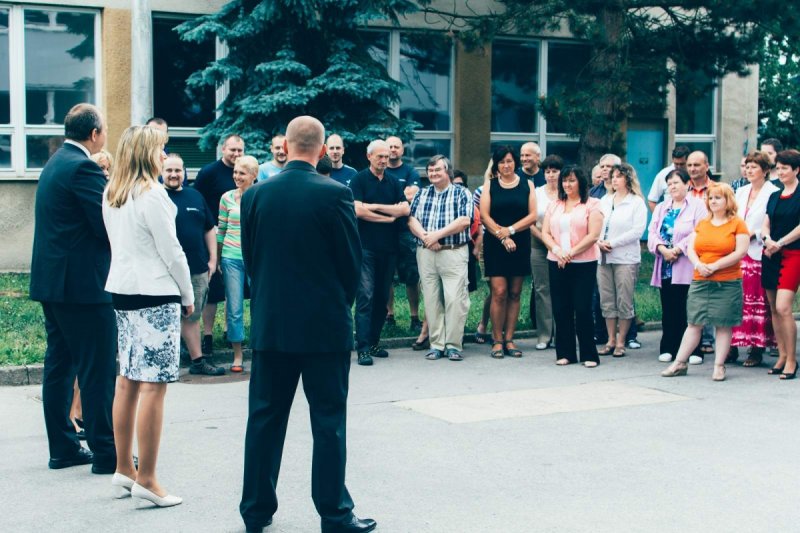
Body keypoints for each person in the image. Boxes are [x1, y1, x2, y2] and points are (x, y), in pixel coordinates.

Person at [239, 115, 374, 533]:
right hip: (323, 328)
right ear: (319, 150)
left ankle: (256, 512)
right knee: (329, 422)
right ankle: (334, 514)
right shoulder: (335, 194)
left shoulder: (254, 195)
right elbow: (351, 265)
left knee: (264, 420)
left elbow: (250, 259)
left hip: (272, 325)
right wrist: (337, 304)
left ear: (286, 145)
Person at [103, 125, 194, 506]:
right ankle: (149, 478)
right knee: (154, 386)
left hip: (122, 291)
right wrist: (188, 294)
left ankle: (124, 468)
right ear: (146, 154)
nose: (164, 156)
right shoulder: (153, 194)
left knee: (127, 380)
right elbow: (172, 251)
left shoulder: (113, 193)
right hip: (155, 294)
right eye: (160, 149)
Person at [30, 103, 117, 473]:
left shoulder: (55, 162)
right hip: (83, 288)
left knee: (60, 366)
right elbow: (105, 224)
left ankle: (63, 448)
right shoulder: (83, 166)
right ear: (94, 134)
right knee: (96, 369)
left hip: (54, 283)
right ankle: (105, 452)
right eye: (104, 131)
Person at [662, 182, 749, 381]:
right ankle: (679, 363)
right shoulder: (703, 223)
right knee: (694, 322)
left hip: (727, 281)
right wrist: (698, 264)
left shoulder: (737, 223)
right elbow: (691, 248)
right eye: (710, 198)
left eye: (718, 197)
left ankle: (719, 366)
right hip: (701, 279)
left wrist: (716, 266)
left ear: (728, 200)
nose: (713, 201)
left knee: (723, 324)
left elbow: (740, 251)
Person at [162, 154, 225, 376]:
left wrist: (212, 259)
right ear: (161, 172)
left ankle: (197, 362)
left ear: (184, 172)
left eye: (177, 170)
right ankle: (167, 363)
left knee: (192, 315)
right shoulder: (157, 197)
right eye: (169, 170)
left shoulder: (195, 196)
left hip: (197, 269)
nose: (173, 174)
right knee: (167, 316)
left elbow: (209, 228)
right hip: (165, 271)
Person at [350, 139, 409, 366]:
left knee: (382, 298)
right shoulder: (359, 179)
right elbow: (357, 210)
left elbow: (404, 208)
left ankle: (374, 342)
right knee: (365, 296)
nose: (384, 160)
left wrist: (373, 206)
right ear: (369, 157)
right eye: (380, 156)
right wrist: (389, 217)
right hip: (366, 248)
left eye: (386, 156)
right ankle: (362, 347)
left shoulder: (393, 182)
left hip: (389, 249)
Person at [408, 155, 472, 361]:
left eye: (438, 170)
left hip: (453, 251)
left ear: (448, 172)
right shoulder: (422, 194)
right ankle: (436, 344)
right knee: (431, 299)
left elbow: (464, 221)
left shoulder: (462, 193)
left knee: (455, 299)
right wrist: (427, 238)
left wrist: (438, 235)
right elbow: (411, 219)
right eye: (430, 170)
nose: (433, 174)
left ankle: (453, 345)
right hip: (426, 253)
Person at [541, 165, 604, 367]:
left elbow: (593, 235)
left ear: (581, 182)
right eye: (565, 181)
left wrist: (571, 252)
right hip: (556, 261)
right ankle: (566, 352)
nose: (567, 184)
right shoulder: (555, 205)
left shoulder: (592, 204)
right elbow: (545, 233)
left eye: (572, 180)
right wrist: (558, 251)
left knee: (583, 308)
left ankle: (589, 354)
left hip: (583, 262)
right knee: (561, 308)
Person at [480, 145, 537, 359]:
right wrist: (503, 236)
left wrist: (511, 231)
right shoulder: (490, 185)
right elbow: (484, 216)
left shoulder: (527, 185)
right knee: (499, 292)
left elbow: (532, 216)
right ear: (497, 164)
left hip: (520, 241)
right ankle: (496, 340)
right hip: (495, 243)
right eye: (502, 161)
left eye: (510, 161)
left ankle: (510, 339)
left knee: (515, 292)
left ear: (516, 163)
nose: (506, 165)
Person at [648, 168, 708, 363]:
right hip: (665, 264)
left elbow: (699, 231)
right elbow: (652, 232)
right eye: (670, 184)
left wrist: (679, 249)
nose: (672, 187)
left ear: (687, 184)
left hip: (686, 264)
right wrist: (663, 249)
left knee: (688, 308)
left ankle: (694, 350)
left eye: (676, 182)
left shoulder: (698, 205)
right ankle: (669, 347)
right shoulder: (662, 207)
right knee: (669, 308)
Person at [193, 134, 245, 354]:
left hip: (237, 241)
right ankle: (207, 336)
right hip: (212, 236)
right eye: (232, 150)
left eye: (239, 151)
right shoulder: (209, 173)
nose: (235, 154)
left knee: (234, 293)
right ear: (223, 149)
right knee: (212, 291)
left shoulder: (247, 173)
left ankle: (228, 331)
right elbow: (197, 199)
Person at [728, 151, 779, 367]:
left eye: (754, 167)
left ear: (765, 170)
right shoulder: (740, 191)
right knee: (735, 300)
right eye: (747, 166)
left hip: (758, 251)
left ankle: (756, 348)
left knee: (757, 302)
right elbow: (732, 216)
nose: (748, 171)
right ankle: (731, 347)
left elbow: (773, 221)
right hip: (738, 251)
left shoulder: (773, 192)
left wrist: (755, 233)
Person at [596, 163, 647, 357]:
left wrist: (613, 242)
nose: (614, 179)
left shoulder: (636, 202)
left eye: (618, 176)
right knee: (607, 299)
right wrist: (599, 241)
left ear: (627, 178)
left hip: (625, 257)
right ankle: (610, 339)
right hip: (603, 256)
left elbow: (637, 231)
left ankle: (621, 340)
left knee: (624, 299)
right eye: (612, 176)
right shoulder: (605, 200)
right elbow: (596, 223)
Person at [218, 155, 259, 373]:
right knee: (234, 308)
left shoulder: (261, 195)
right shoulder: (226, 198)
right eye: (235, 172)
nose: (236, 176)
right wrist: (216, 259)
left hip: (255, 257)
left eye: (241, 173)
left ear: (254, 175)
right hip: (231, 257)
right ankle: (237, 354)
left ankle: (259, 349)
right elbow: (221, 230)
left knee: (259, 304)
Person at [761, 149, 800, 380]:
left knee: (785, 307)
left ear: (796, 170)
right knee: (774, 309)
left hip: (793, 253)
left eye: (786, 168)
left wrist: (781, 243)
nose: (781, 172)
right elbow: (766, 223)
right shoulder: (774, 195)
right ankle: (782, 355)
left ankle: (793, 359)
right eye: (779, 168)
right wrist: (767, 240)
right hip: (771, 253)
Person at [384, 136, 422, 331]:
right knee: (387, 276)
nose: (392, 150)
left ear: (402, 150)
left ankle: (415, 318)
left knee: (411, 276)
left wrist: (388, 199)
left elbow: (412, 194)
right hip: (385, 231)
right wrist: (399, 197)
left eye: (396, 147)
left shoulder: (410, 171)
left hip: (406, 231)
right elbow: (403, 195)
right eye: (389, 146)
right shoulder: (380, 170)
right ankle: (389, 315)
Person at [529, 154, 561, 350]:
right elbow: (530, 221)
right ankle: (544, 335)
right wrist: (546, 240)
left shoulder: (566, 193)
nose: (550, 175)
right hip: (538, 243)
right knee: (542, 289)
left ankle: (561, 333)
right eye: (547, 171)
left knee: (561, 288)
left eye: (554, 171)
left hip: (563, 246)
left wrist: (556, 244)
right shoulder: (537, 192)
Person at [646, 145, 690, 210]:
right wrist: (660, 218)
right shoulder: (663, 174)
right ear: (672, 160)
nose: (679, 167)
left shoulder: (694, 173)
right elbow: (652, 200)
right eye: (676, 164)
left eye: (682, 164)